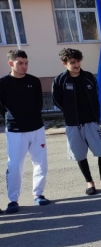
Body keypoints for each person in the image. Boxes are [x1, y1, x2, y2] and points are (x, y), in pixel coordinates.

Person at [52, 48, 101, 195]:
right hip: (72, 124)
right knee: (80, 155)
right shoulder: (60, 80)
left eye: (78, 61)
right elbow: (57, 100)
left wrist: (95, 117)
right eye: (72, 63)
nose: (76, 65)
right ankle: (90, 183)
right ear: (64, 64)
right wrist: (70, 112)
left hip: (91, 122)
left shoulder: (89, 77)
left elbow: (95, 96)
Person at [0, 50, 51, 214]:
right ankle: (13, 200)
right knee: (15, 165)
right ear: (11, 63)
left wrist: (33, 119)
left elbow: (39, 104)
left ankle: (38, 194)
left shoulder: (34, 81)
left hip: (36, 128)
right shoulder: (3, 83)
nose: (24, 66)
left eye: (26, 63)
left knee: (41, 163)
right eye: (20, 63)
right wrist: (12, 118)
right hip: (15, 130)